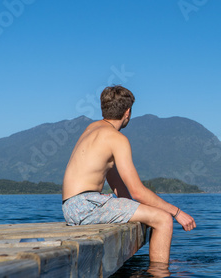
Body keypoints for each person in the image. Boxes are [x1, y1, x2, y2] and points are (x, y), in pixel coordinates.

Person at [62, 85, 196, 264]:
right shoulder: (117, 139)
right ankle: (159, 273)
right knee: (163, 219)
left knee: (147, 212)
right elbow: (138, 192)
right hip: (87, 206)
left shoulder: (92, 128)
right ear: (127, 112)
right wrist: (177, 212)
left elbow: (116, 183)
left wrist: (132, 207)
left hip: (71, 206)